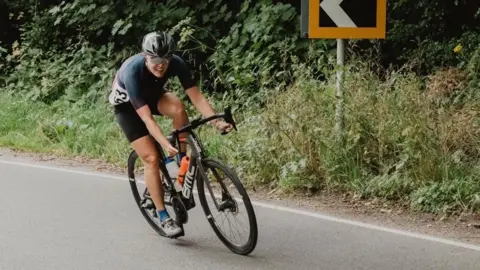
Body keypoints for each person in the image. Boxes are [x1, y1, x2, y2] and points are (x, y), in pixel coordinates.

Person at [108, 31, 233, 237]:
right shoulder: (132, 71)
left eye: (166, 59)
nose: (161, 65)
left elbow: (197, 97)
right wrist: (163, 144)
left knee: (178, 108)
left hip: (152, 96)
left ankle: (179, 164)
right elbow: (147, 120)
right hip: (129, 109)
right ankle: (163, 215)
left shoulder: (176, 63)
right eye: (155, 59)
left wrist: (216, 122)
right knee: (151, 158)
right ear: (145, 56)